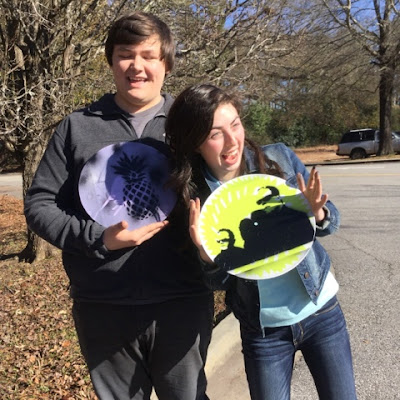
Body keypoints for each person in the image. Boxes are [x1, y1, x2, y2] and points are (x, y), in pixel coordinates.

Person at [24, 13, 213, 400]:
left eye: (149, 56)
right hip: (103, 306)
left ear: (166, 64)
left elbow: (227, 183)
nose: (137, 66)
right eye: (126, 54)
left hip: (182, 301)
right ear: (111, 61)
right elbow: (40, 204)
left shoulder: (190, 125)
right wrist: (99, 239)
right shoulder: (78, 127)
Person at [165, 83, 357, 400]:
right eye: (215, 134)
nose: (232, 141)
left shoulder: (277, 158)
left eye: (235, 125)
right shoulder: (197, 200)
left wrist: (317, 213)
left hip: (322, 312)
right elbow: (218, 282)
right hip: (264, 333)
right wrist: (207, 255)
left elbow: (330, 222)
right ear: (195, 142)